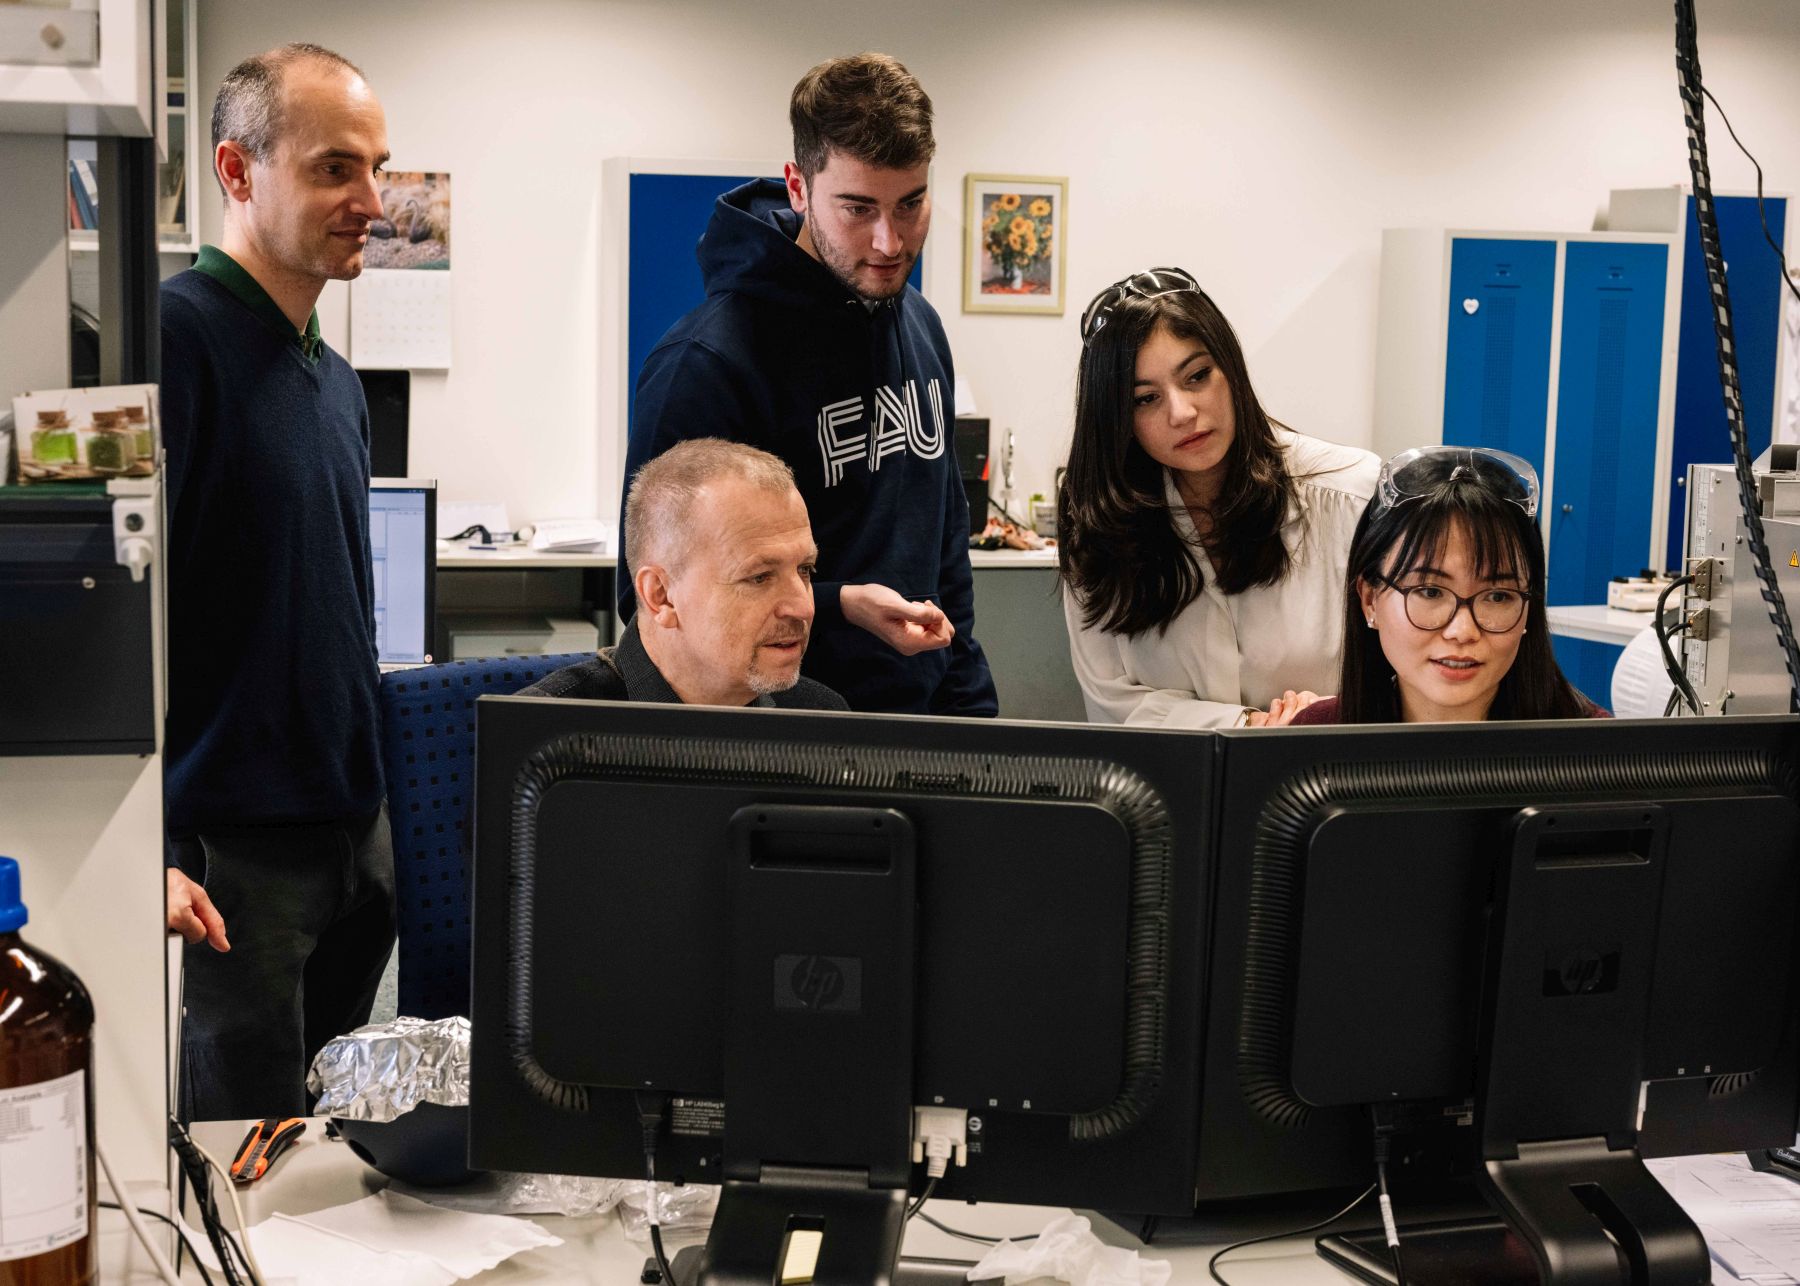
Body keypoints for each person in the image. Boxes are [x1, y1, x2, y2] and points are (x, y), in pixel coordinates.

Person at [159, 43, 394, 1121]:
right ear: (238, 170)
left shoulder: (334, 381)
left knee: (332, 1160)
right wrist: (149, 858)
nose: (371, 201)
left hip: (348, 840)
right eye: (335, 169)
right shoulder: (173, 342)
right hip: (231, 865)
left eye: (376, 169)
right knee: (239, 1164)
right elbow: (119, 620)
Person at [620, 52, 997, 717]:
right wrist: (840, 605)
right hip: (784, 737)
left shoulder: (920, 325)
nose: (889, 241)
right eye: (857, 208)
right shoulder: (705, 365)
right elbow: (659, 609)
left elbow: (945, 549)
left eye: (911, 204)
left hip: (926, 727)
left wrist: (971, 712)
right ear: (798, 187)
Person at [1058, 267, 1379, 727]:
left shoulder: (1353, 495)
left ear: (1230, 368)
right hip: (1172, 787)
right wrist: (1247, 726)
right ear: (1115, 420)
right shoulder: (1099, 524)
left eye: (1196, 377)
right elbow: (1110, 700)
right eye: (1145, 399)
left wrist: (1326, 716)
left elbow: (1411, 667)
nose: (1182, 413)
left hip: (1332, 780)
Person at [521, 440, 847, 710]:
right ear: (661, 596)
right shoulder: (550, 734)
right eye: (759, 577)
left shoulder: (821, 714)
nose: (803, 608)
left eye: (805, 570)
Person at [1291, 445, 1607, 724]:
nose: (1463, 631)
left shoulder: (1594, 751)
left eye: (1498, 596)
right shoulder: (1315, 738)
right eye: (1430, 592)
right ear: (1370, 599)